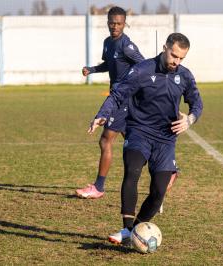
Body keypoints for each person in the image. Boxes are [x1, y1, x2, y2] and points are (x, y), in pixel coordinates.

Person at [88, 33, 203, 244]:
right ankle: (126, 229)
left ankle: (136, 230)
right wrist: (101, 115)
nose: (176, 62)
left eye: (181, 59)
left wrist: (190, 119)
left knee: (159, 191)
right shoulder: (141, 70)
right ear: (165, 47)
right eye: (174, 56)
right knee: (132, 171)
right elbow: (116, 95)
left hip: (166, 139)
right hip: (139, 131)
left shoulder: (184, 75)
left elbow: (197, 102)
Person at [76, 6, 145, 199]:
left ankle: (98, 187)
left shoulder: (127, 45)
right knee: (135, 140)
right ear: (107, 22)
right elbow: (109, 64)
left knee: (106, 140)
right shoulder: (108, 43)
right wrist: (92, 69)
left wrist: (133, 85)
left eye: (119, 23)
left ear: (124, 24)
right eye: (112, 23)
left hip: (123, 98)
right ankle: (165, 169)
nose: (115, 26)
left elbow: (143, 65)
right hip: (117, 96)